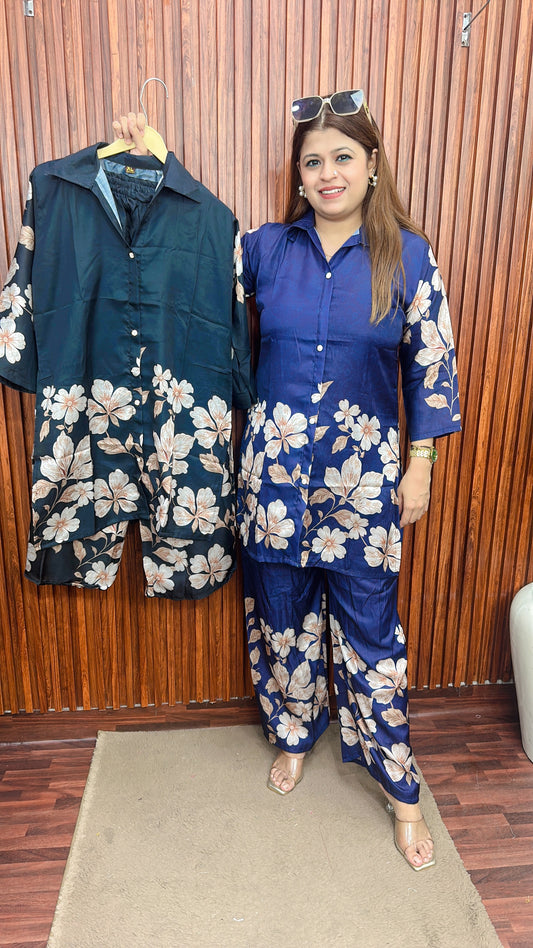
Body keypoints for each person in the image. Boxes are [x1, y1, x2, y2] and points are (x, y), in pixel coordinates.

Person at [113, 91, 460, 871]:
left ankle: (400, 790)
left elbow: (430, 365)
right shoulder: (264, 249)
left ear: (371, 165)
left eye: (342, 157)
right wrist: (163, 172)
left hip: (363, 487)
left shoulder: (408, 256)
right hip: (270, 482)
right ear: (297, 176)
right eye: (312, 161)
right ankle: (295, 734)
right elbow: (195, 261)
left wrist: (421, 465)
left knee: (371, 635)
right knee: (280, 619)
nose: (327, 172)